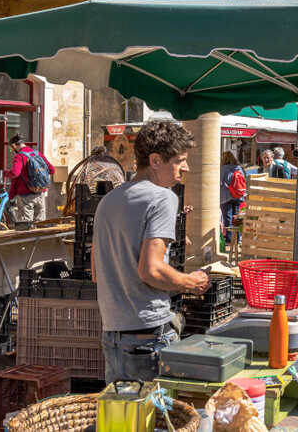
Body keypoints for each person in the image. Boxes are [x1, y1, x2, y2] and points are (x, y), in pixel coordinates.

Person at [92, 120, 210, 383]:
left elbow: (96, 273)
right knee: (155, 419)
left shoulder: (109, 201)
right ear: (155, 161)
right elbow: (151, 269)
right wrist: (191, 282)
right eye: (179, 161)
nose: (186, 168)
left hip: (113, 335)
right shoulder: (163, 197)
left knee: (121, 419)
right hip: (147, 333)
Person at [4, 133, 54, 227]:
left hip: (25, 196)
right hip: (40, 194)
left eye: (11, 148)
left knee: (25, 227)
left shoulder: (19, 156)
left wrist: (5, 173)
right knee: (40, 225)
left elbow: (15, 173)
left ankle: (26, 242)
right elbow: (51, 169)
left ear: (14, 145)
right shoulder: (37, 153)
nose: (12, 150)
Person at [219, 151, 244, 248]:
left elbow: (219, 182)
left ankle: (230, 240)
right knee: (236, 218)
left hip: (226, 196)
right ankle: (237, 238)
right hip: (238, 196)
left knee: (228, 218)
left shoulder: (223, 169)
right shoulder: (238, 168)